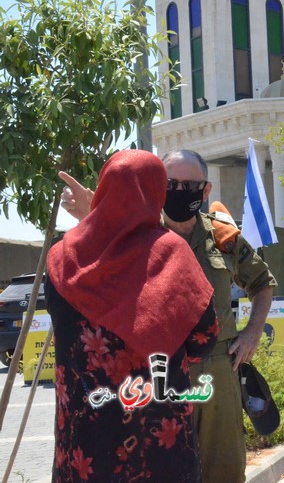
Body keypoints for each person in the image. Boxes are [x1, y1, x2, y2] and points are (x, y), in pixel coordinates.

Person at [60, 149, 277, 483]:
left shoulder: (223, 237)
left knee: (224, 467)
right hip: (160, 372)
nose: (179, 191)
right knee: (164, 466)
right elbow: (99, 262)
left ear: (205, 191)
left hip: (218, 366)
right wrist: (92, 214)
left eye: (190, 185)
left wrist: (252, 332)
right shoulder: (137, 235)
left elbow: (262, 283)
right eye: (171, 183)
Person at [47, 150, 219, 482]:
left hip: (86, 440)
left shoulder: (62, 258)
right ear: (157, 193)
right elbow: (205, 339)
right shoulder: (172, 254)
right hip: (157, 439)